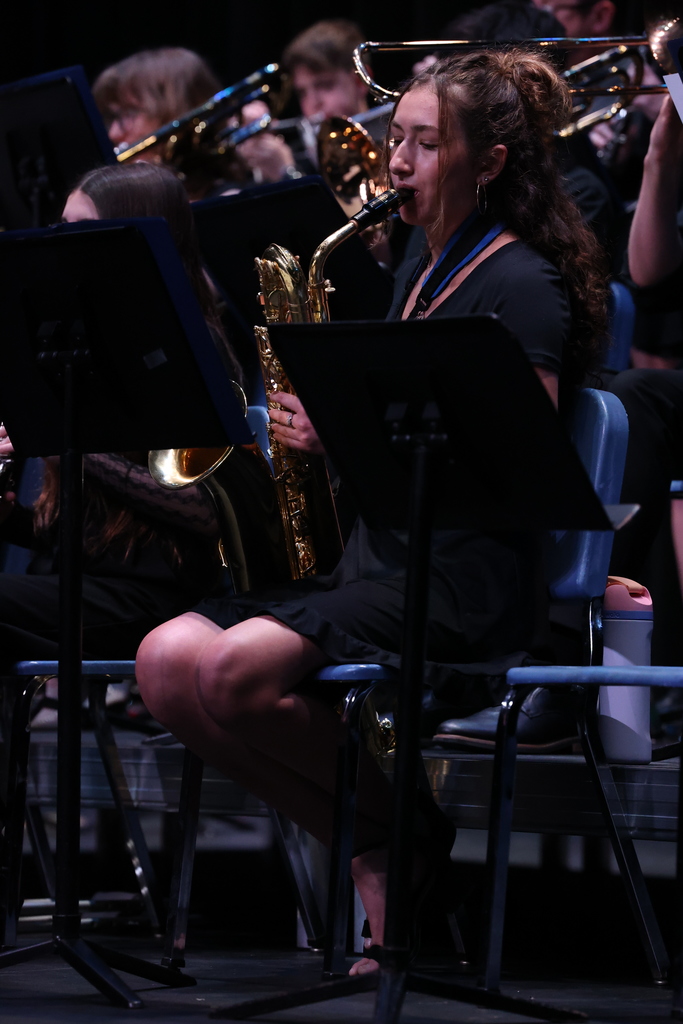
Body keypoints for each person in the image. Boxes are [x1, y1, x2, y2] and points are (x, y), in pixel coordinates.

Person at [135, 48, 607, 974]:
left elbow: (513, 473)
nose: (395, 163)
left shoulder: (521, 286)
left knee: (230, 672)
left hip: (466, 581)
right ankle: (389, 839)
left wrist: (347, 438)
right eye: (397, 140)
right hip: (381, 564)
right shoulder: (417, 273)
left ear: (490, 162)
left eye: (424, 145)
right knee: (163, 665)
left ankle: (396, 839)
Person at [0, 162, 242, 667]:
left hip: (157, 601)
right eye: (60, 230)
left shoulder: (192, 354)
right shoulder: (79, 349)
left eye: (79, 233)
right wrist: (10, 518)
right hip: (85, 585)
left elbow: (207, 511)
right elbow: (86, 535)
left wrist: (60, 440)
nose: (60, 247)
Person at [92, 48, 250, 199]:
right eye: (114, 117)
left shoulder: (226, 200)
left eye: (129, 113)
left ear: (176, 111)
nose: (114, 133)